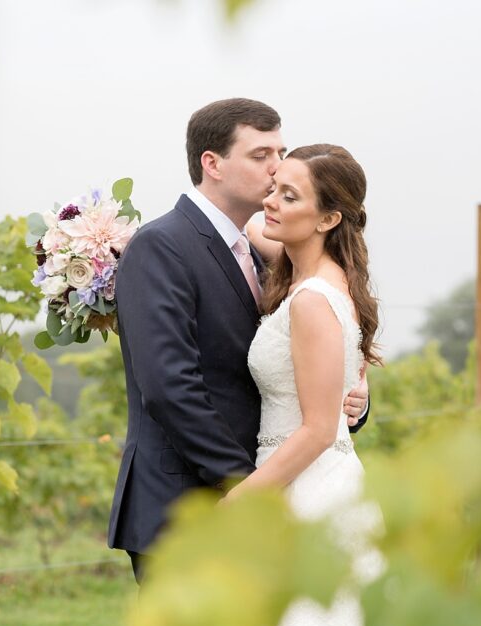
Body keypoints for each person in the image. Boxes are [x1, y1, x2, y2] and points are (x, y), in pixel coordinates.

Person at [107, 99, 370, 584]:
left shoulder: (269, 254)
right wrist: (249, 484)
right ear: (213, 163)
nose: (276, 170)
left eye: (281, 153)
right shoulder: (162, 246)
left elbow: (313, 355)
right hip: (187, 505)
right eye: (260, 156)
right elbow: (170, 388)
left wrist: (351, 402)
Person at [226, 144, 408, 626]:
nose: (270, 202)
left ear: (329, 218)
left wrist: (245, 496)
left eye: (289, 195)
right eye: (273, 185)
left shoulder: (311, 298)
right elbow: (239, 232)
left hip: (306, 487)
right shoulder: (313, 270)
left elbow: (317, 426)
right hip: (321, 479)